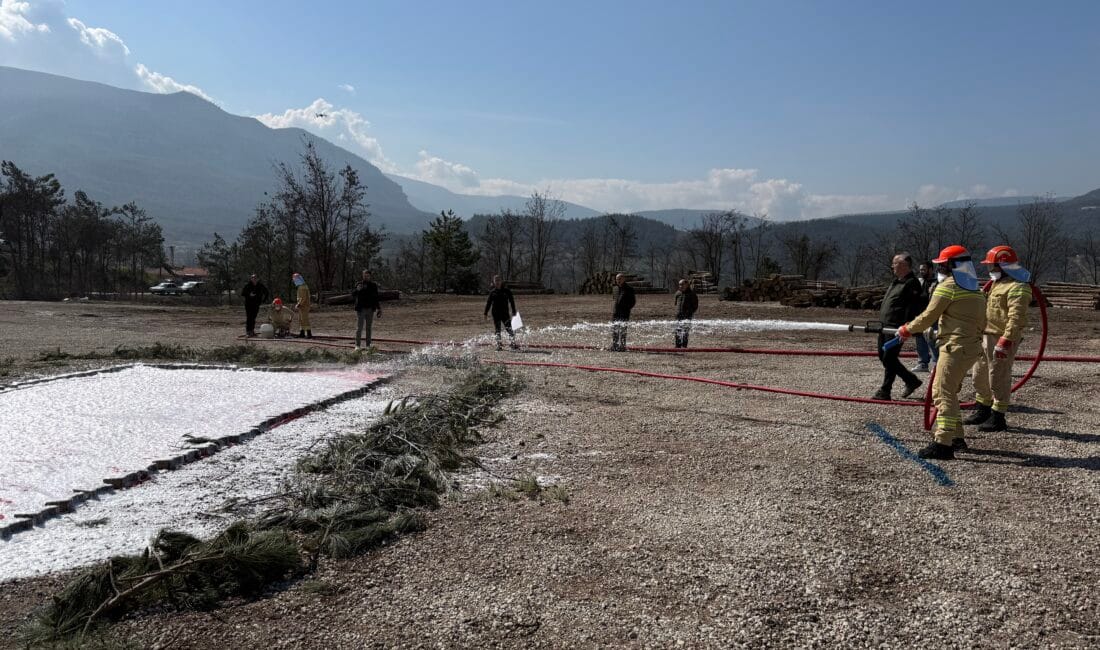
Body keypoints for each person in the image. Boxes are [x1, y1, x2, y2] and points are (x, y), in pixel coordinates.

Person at [893, 245, 987, 460]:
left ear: (951, 266)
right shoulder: (975, 288)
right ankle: (956, 437)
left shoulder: (949, 287)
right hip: (970, 347)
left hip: (954, 348)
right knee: (950, 392)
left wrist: (906, 329)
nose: (940, 269)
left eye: (942, 265)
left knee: (942, 392)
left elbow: (928, 315)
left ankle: (943, 443)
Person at [965, 245, 1033, 432]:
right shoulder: (997, 284)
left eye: (992, 266)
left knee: (998, 375)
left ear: (1003, 266)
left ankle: (998, 415)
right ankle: (983, 408)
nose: (990, 271)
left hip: (1002, 337)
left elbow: (1016, 317)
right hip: (985, 334)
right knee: (979, 374)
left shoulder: (1018, 287)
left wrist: (1007, 339)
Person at [874, 253, 924, 400]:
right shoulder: (896, 282)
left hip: (897, 327)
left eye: (895, 263)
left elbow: (914, 307)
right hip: (884, 325)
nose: (892, 266)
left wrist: (907, 326)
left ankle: (885, 390)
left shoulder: (912, 283)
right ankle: (911, 380)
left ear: (904, 265)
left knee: (889, 358)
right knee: (883, 357)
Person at [911, 261, 940, 372]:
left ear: (930, 270)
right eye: (921, 269)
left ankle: (937, 363)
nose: (921, 271)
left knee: (931, 339)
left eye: (924, 269)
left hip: (932, 316)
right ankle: (922, 363)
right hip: (920, 315)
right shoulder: (919, 282)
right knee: (920, 339)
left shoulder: (937, 282)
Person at [484, 274, 518, 351]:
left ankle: (513, 344)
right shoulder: (492, 292)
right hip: (496, 314)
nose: (497, 282)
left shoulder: (507, 291)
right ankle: (499, 345)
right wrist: (485, 313)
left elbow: (512, 301)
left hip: (505, 314)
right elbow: (488, 303)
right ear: (493, 282)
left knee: (509, 329)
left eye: (499, 280)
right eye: (496, 280)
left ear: (501, 281)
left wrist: (513, 311)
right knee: (497, 330)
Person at [352, 269, 382, 350]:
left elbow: (376, 297)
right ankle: (357, 346)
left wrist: (379, 308)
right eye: (364, 275)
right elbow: (352, 294)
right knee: (359, 328)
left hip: (370, 309)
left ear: (370, 276)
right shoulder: (359, 284)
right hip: (361, 309)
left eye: (367, 276)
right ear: (363, 276)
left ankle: (368, 345)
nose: (366, 277)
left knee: (369, 328)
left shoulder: (373, 285)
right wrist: (357, 290)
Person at [610, 273, 636, 351]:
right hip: (615, 313)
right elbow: (615, 300)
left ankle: (622, 346)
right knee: (615, 330)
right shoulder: (615, 289)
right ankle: (615, 345)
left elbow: (633, 302)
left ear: (624, 279)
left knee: (623, 331)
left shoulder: (629, 289)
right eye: (617, 279)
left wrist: (626, 309)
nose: (618, 280)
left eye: (620, 279)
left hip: (624, 313)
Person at [673, 278, 699, 348]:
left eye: (682, 284)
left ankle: (684, 346)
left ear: (687, 285)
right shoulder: (677, 293)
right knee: (677, 331)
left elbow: (695, 306)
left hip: (687, 316)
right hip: (678, 315)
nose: (680, 286)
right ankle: (677, 346)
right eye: (679, 284)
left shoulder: (692, 294)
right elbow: (676, 303)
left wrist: (690, 313)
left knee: (685, 332)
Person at [293, 272, 312, 338]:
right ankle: (302, 332)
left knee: (305, 319)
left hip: (304, 306)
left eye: (295, 280)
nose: (294, 281)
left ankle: (309, 333)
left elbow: (303, 298)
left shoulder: (302, 287)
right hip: (302, 306)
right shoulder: (301, 286)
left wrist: (298, 304)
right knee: (301, 319)